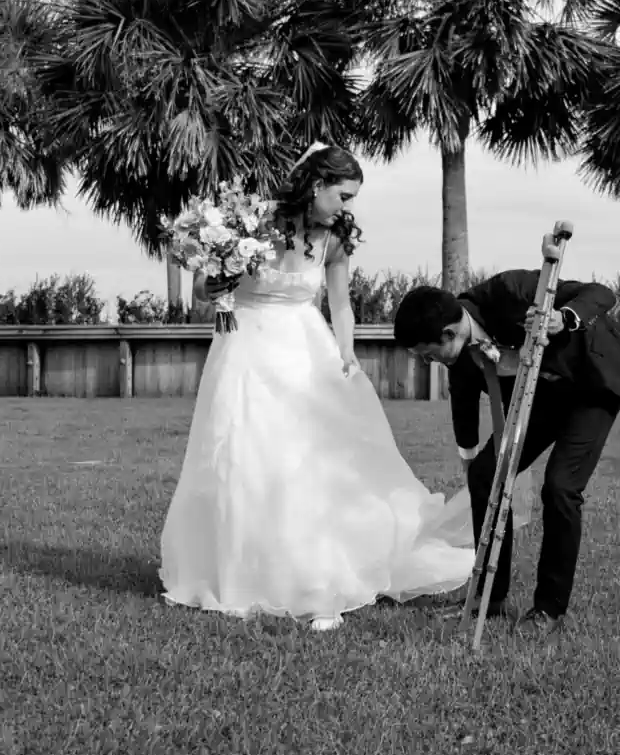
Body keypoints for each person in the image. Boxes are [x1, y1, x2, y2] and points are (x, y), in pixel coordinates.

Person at [158, 143, 473, 630]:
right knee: (242, 456)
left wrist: (345, 350)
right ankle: (242, 571)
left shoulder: (335, 237)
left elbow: (341, 304)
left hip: (305, 349)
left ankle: (314, 573)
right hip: (244, 349)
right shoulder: (255, 223)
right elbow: (204, 287)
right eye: (343, 196)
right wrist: (213, 285)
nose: (348, 207)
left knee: (308, 461)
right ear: (316, 184)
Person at [393, 264, 620, 629]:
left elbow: (602, 293)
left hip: (592, 379)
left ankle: (549, 610)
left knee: (560, 486)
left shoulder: (510, 290)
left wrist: (562, 318)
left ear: (448, 333)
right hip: (543, 396)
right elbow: (463, 410)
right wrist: (474, 467)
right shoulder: (460, 356)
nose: (429, 363)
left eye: (428, 354)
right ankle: (491, 599)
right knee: (484, 473)